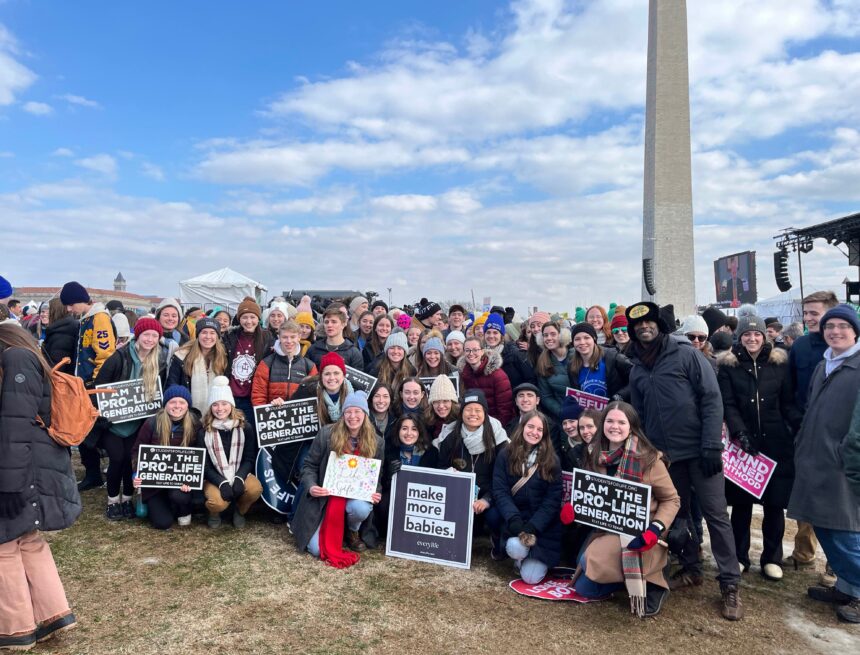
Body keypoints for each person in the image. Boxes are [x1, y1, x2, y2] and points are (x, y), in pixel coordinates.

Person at [625, 301, 743, 620]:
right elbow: (640, 417)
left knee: (717, 517)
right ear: (633, 331)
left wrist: (710, 445)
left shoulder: (686, 354)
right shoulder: (637, 368)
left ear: (659, 326)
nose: (644, 327)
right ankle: (691, 568)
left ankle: (730, 584)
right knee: (679, 516)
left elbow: (710, 397)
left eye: (649, 322)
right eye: (638, 325)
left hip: (701, 452)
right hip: (665, 457)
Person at [0, 324, 81, 650]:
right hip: (29, 462)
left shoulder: (16, 359)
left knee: (4, 545)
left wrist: (9, 483)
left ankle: (15, 628)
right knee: (27, 540)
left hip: (23, 465)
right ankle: (53, 614)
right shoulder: (24, 356)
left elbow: (14, 426)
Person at [569, 402, 680, 617]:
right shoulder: (594, 454)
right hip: (607, 528)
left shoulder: (648, 458)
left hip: (641, 531)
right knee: (584, 583)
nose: (615, 426)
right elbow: (590, 493)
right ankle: (627, 579)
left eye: (622, 422)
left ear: (632, 427)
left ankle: (653, 579)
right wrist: (573, 507)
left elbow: (672, 500)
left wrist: (655, 529)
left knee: (588, 564)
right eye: (610, 421)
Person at [788, 304, 860, 623]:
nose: (835, 331)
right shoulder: (825, 364)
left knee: (846, 532)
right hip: (815, 459)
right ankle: (846, 586)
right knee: (825, 526)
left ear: (855, 331)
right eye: (830, 326)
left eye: (843, 326)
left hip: (843, 465)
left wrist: (846, 454)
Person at [717, 313, 801, 580]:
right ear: (738, 337)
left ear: (764, 337)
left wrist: (790, 429)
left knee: (774, 505)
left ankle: (771, 557)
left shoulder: (779, 364)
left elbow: (787, 401)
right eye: (746, 334)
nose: (752, 338)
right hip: (744, 445)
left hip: (776, 443)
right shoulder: (729, 367)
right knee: (741, 505)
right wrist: (739, 431)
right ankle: (740, 555)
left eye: (757, 334)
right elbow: (727, 403)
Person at [292, 391, 383, 567]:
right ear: (343, 414)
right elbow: (309, 466)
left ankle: (351, 531)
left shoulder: (377, 442)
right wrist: (311, 487)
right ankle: (329, 529)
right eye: (348, 411)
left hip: (352, 497)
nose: (353, 416)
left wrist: (375, 492)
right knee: (318, 550)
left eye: (358, 411)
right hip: (324, 499)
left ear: (365, 414)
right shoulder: (327, 434)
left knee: (361, 508)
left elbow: (376, 475)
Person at [786, 290, 839, 573]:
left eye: (814, 313)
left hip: (836, 437)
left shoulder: (847, 349)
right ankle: (804, 553)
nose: (808, 318)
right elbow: (791, 389)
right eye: (805, 313)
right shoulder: (801, 346)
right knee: (805, 493)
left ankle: (836, 564)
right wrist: (797, 421)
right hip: (804, 432)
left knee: (837, 500)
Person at [94, 318, 168, 520]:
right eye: (146, 335)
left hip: (138, 422)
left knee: (130, 460)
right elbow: (98, 386)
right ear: (138, 335)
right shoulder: (119, 357)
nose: (150, 339)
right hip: (113, 422)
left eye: (155, 336)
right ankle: (112, 500)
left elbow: (160, 393)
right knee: (116, 458)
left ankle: (127, 498)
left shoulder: (159, 360)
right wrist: (101, 412)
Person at [427, 389, 509, 556]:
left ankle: (497, 539)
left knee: (494, 516)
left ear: (485, 413)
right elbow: (440, 466)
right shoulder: (450, 437)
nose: (473, 414)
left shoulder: (498, 439)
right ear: (461, 412)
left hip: (489, 495)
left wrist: (487, 500)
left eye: (478, 410)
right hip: (459, 497)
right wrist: (447, 471)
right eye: (468, 409)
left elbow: (503, 478)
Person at [492, 410, 561, 581]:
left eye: (540, 430)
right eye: (531, 426)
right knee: (516, 547)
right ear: (522, 427)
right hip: (516, 519)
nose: (534, 432)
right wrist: (514, 519)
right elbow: (500, 491)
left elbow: (552, 500)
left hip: (542, 527)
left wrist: (534, 526)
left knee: (531, 579)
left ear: (544, 434)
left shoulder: (552, 460)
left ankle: (534, 559)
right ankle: (519, 559)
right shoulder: (505, 454)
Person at [197, 377, 263, 529]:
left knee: (255, 489)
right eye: (215, 404)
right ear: (210, 407)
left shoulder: (245, 427)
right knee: (217, 502)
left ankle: (239, 511)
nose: (220, 409)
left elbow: (249, 458)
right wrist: (222, 482)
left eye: (224, 404)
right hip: (214, 476)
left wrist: (239, 477)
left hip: (239, 471)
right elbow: (205, 465)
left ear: (231, 405)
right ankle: (214, 513)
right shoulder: (203, 431)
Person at [131, 386, 200, 529]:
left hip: (180, 483)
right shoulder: (152, 422)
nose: (177, 406)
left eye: (182, 402)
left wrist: (191, 479)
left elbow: (200, 454)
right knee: (163, 523)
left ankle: (183, 509)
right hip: (155, 483)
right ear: (165, 404)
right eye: (172, 402)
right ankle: (155, 503)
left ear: (188, 405)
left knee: (180, 496)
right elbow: (137, 450)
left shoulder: (195, 424)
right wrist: (136, 474)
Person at [377, 415, 434, 536]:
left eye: (414, 429)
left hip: (421, 500)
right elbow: (382, 484)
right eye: (404, 428)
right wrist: (389, 474)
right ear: (398, 431)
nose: (409, 433)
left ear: (420, 432)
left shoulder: (431, 453)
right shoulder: (389, 450)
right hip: (396, 496)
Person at [224, 296, 274, 422]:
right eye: (244, 317)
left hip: (253, 396)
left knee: (251, 434)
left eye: (252, 317)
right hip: (232, 396)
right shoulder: (230, 337)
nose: (249, 321)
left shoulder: (267, 338)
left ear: (258, 318)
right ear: (239, 319)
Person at [166, 317, 227, 413]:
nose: (208, 336)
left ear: (217, 336)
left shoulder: (224, 357)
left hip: (217, 412)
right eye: (204, 332)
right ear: (198, 335)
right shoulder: (181, 356)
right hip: (187, 412)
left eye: (212, 333)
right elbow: (172, 384)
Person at [568, 323, 632, 401]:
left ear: (594, 338)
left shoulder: (612, 357)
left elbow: (635, 378)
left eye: (586, 338)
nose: (582, 342)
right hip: (589, 411)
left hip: (614, 410)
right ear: (573, 342)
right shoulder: (571, 365)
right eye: (577, 339)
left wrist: (619, 396)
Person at [458, 336, 514, 426]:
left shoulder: (498, 375)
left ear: (482, 351)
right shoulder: (464, 374)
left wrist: (497, 429)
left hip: (494, 424)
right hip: (473, 423)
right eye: (467, 350)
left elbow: (505, 409)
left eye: (475, 350)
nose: (471, 353)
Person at [482, 313, 534, 390]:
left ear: (501, 335)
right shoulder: (480, 355)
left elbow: (530, 380)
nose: (491, 336)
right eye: (488, 332)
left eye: (495, 333)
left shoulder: (515, 354)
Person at [306, 305, 365, 372]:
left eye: (334, 322)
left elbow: (356, 379)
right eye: (326, 322)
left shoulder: (354, 353)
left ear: (343, 324)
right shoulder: (313, 349)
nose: (329, 325)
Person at [534, 321, 572, 423]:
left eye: (553, 334)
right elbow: (546, 396)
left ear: (561, 335)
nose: (549, 338)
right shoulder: (543, 362)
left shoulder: (577, 355)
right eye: (545, 335)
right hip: (564, 418)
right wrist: (562, 412)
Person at [42, 298, 77, 374]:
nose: (47, 313)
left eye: (49, 310)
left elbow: (57, 364)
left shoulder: (61, 331)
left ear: (54, 311)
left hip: (60, 378)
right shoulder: (63, 328)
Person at [424, 374, 460, 439]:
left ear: (452, 402)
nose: (441, 406)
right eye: (436, 401)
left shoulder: (461, 421)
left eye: (445, 401)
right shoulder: (426, 422)